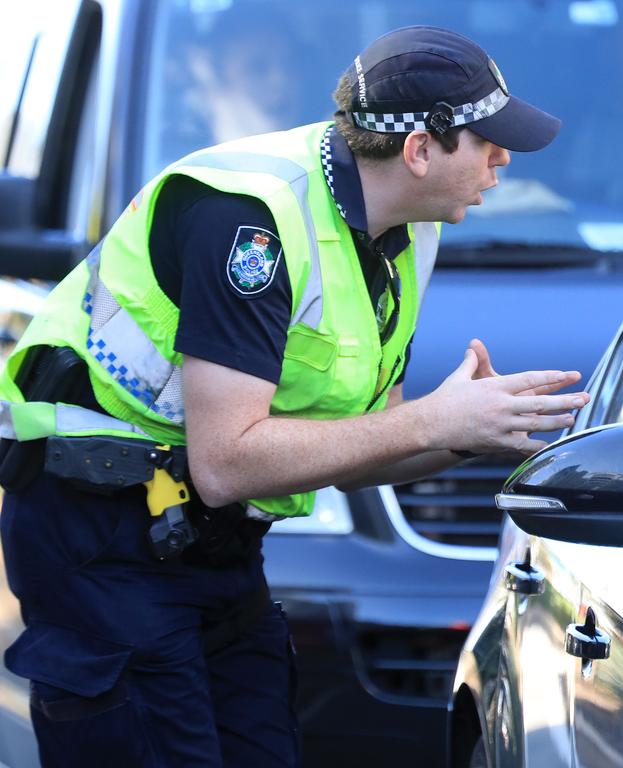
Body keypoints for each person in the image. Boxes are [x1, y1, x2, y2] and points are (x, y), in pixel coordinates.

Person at [0, 26, 582, 767]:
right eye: (487, 140)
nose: (504, 159)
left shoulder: (407, 228)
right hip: (100, 533)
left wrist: (464, 431)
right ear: (419, 150)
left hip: (209, 541)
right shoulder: (251, 219)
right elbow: (229, 461)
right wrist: (431, 418)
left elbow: (365, 444)